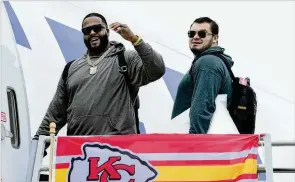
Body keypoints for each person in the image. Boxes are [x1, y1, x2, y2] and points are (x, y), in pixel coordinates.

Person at [33, 12, 165, 139]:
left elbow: (157, 69)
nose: (92, 33)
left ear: (107, 31)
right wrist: (35, 150)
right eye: (87, 31)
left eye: (97, 28)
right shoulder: (71, 68)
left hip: (118, 150)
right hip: (77, 151)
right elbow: (54, 114)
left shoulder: (125, 58)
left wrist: (134, 39)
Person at [171, 17, 234, 134]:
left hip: (195, 144)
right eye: (191, 33)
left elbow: (202, 107)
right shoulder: (212, 61)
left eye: (202, 34)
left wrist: (194, 146)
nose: (195, 37)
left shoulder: (208, 63)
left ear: (215, 38)